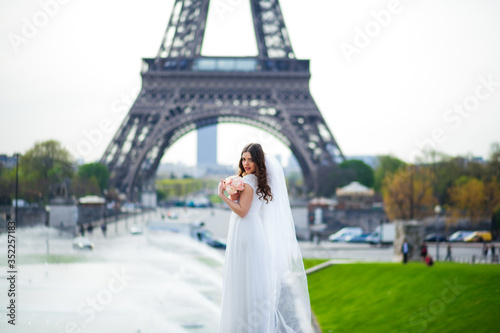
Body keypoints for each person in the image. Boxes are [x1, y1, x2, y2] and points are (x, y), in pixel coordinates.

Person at [217, 143, 312, 333]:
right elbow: (245, 206)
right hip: (250, 231)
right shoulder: (254, 180)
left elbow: (243, 212)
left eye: (250, 159)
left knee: (242, 280)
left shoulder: (250, 181)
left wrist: (223, 195)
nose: (246, 163)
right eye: (244, 159)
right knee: (250, 281)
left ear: (258, 161)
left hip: (246, 231)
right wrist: (233, 192)